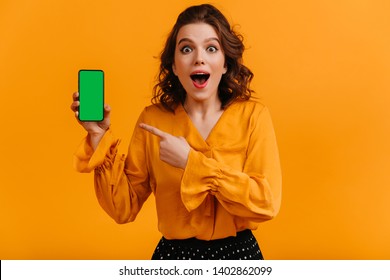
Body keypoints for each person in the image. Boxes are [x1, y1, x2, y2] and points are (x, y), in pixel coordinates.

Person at [70, 4, 282, 260]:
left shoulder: (253, 116)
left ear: (225, 63)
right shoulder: (153, 120)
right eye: (186, 48)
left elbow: (266, 203)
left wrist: (191, 163)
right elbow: (122, 209)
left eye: (211, 48)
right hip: (175, 257)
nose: (199, 58)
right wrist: (98, 136)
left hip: (239, 256)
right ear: (174, 65)